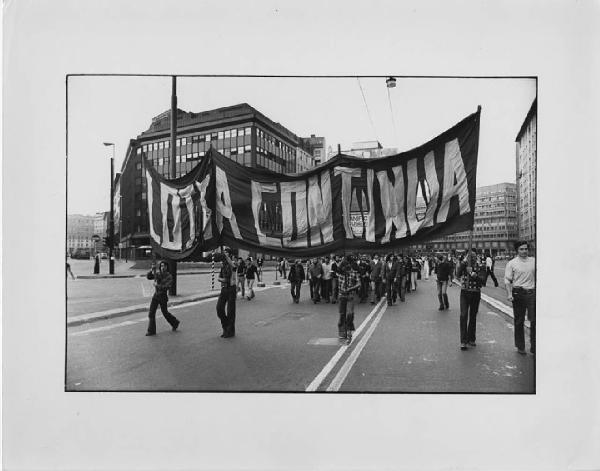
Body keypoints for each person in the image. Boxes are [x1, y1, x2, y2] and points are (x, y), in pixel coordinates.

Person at [505, 241, 536, 355]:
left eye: (525, 249)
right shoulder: (512, 263)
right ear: (517, 251)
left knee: (534, 321)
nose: (524, 251)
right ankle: (520, 346)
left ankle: (534, 347)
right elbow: (507, 280)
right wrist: (509, 294)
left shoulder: (534, 261)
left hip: (532, 294)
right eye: (521, 249)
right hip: (518, 293)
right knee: (519, 321)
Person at [456, 250, 486, 350]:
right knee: (463, 315)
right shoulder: (464, 265)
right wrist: (463, 263)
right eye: (469, 256)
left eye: (473, 256)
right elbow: (457, 275)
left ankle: (471, 338)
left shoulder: (481, 266)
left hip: (475, 293)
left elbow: (483, 281)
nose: (471, 258)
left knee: (473, 316)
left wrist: (473, 274)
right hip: (465, 292)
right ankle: (463, 341)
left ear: (476, 256)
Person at [145, 260, 180, 336]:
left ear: (167, 267)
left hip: (163, 297)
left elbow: (166, 287)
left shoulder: (169, 276)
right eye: (161, 266)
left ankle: (175, 323)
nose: (162, 267)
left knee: (165, 313)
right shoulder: (158, 274)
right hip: (156, 296)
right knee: (151, 313)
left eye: (164, 266)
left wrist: (157, 285)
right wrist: (152, 270)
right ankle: (151, 331)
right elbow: (149, 277)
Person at [337, 256, 361, 343]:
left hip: (350, 295)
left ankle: (349, 330)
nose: (346, 268)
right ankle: (343, 332)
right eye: (344, 266)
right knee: (342, 314)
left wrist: (351, 288)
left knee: (350, 314)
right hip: (341, 296)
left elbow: (359, 283)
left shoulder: (354, 273)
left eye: (347, 265)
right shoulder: (339, 273)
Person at [216, 247, 236, 338]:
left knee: (230, 311)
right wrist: (221, 279)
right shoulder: (223, 265)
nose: (224, 254)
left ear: (230, 255)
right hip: (224, 289)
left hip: (231, 289)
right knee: (219, 308)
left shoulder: (233, 263)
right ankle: (226, 326)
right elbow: (220, 278)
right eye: (224, 252)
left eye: (226, 253)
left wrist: (222, 279)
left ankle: (230, 331)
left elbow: (226, 279)